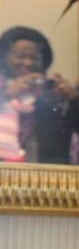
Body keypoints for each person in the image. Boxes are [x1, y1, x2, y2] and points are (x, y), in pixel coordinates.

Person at [0, 25, 66, 162]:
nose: (27, 63)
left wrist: (72, 98)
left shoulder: (50, 91)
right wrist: (7, 94)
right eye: (21, 56)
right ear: (5, 56)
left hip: (36, 170)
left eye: (34, 58)